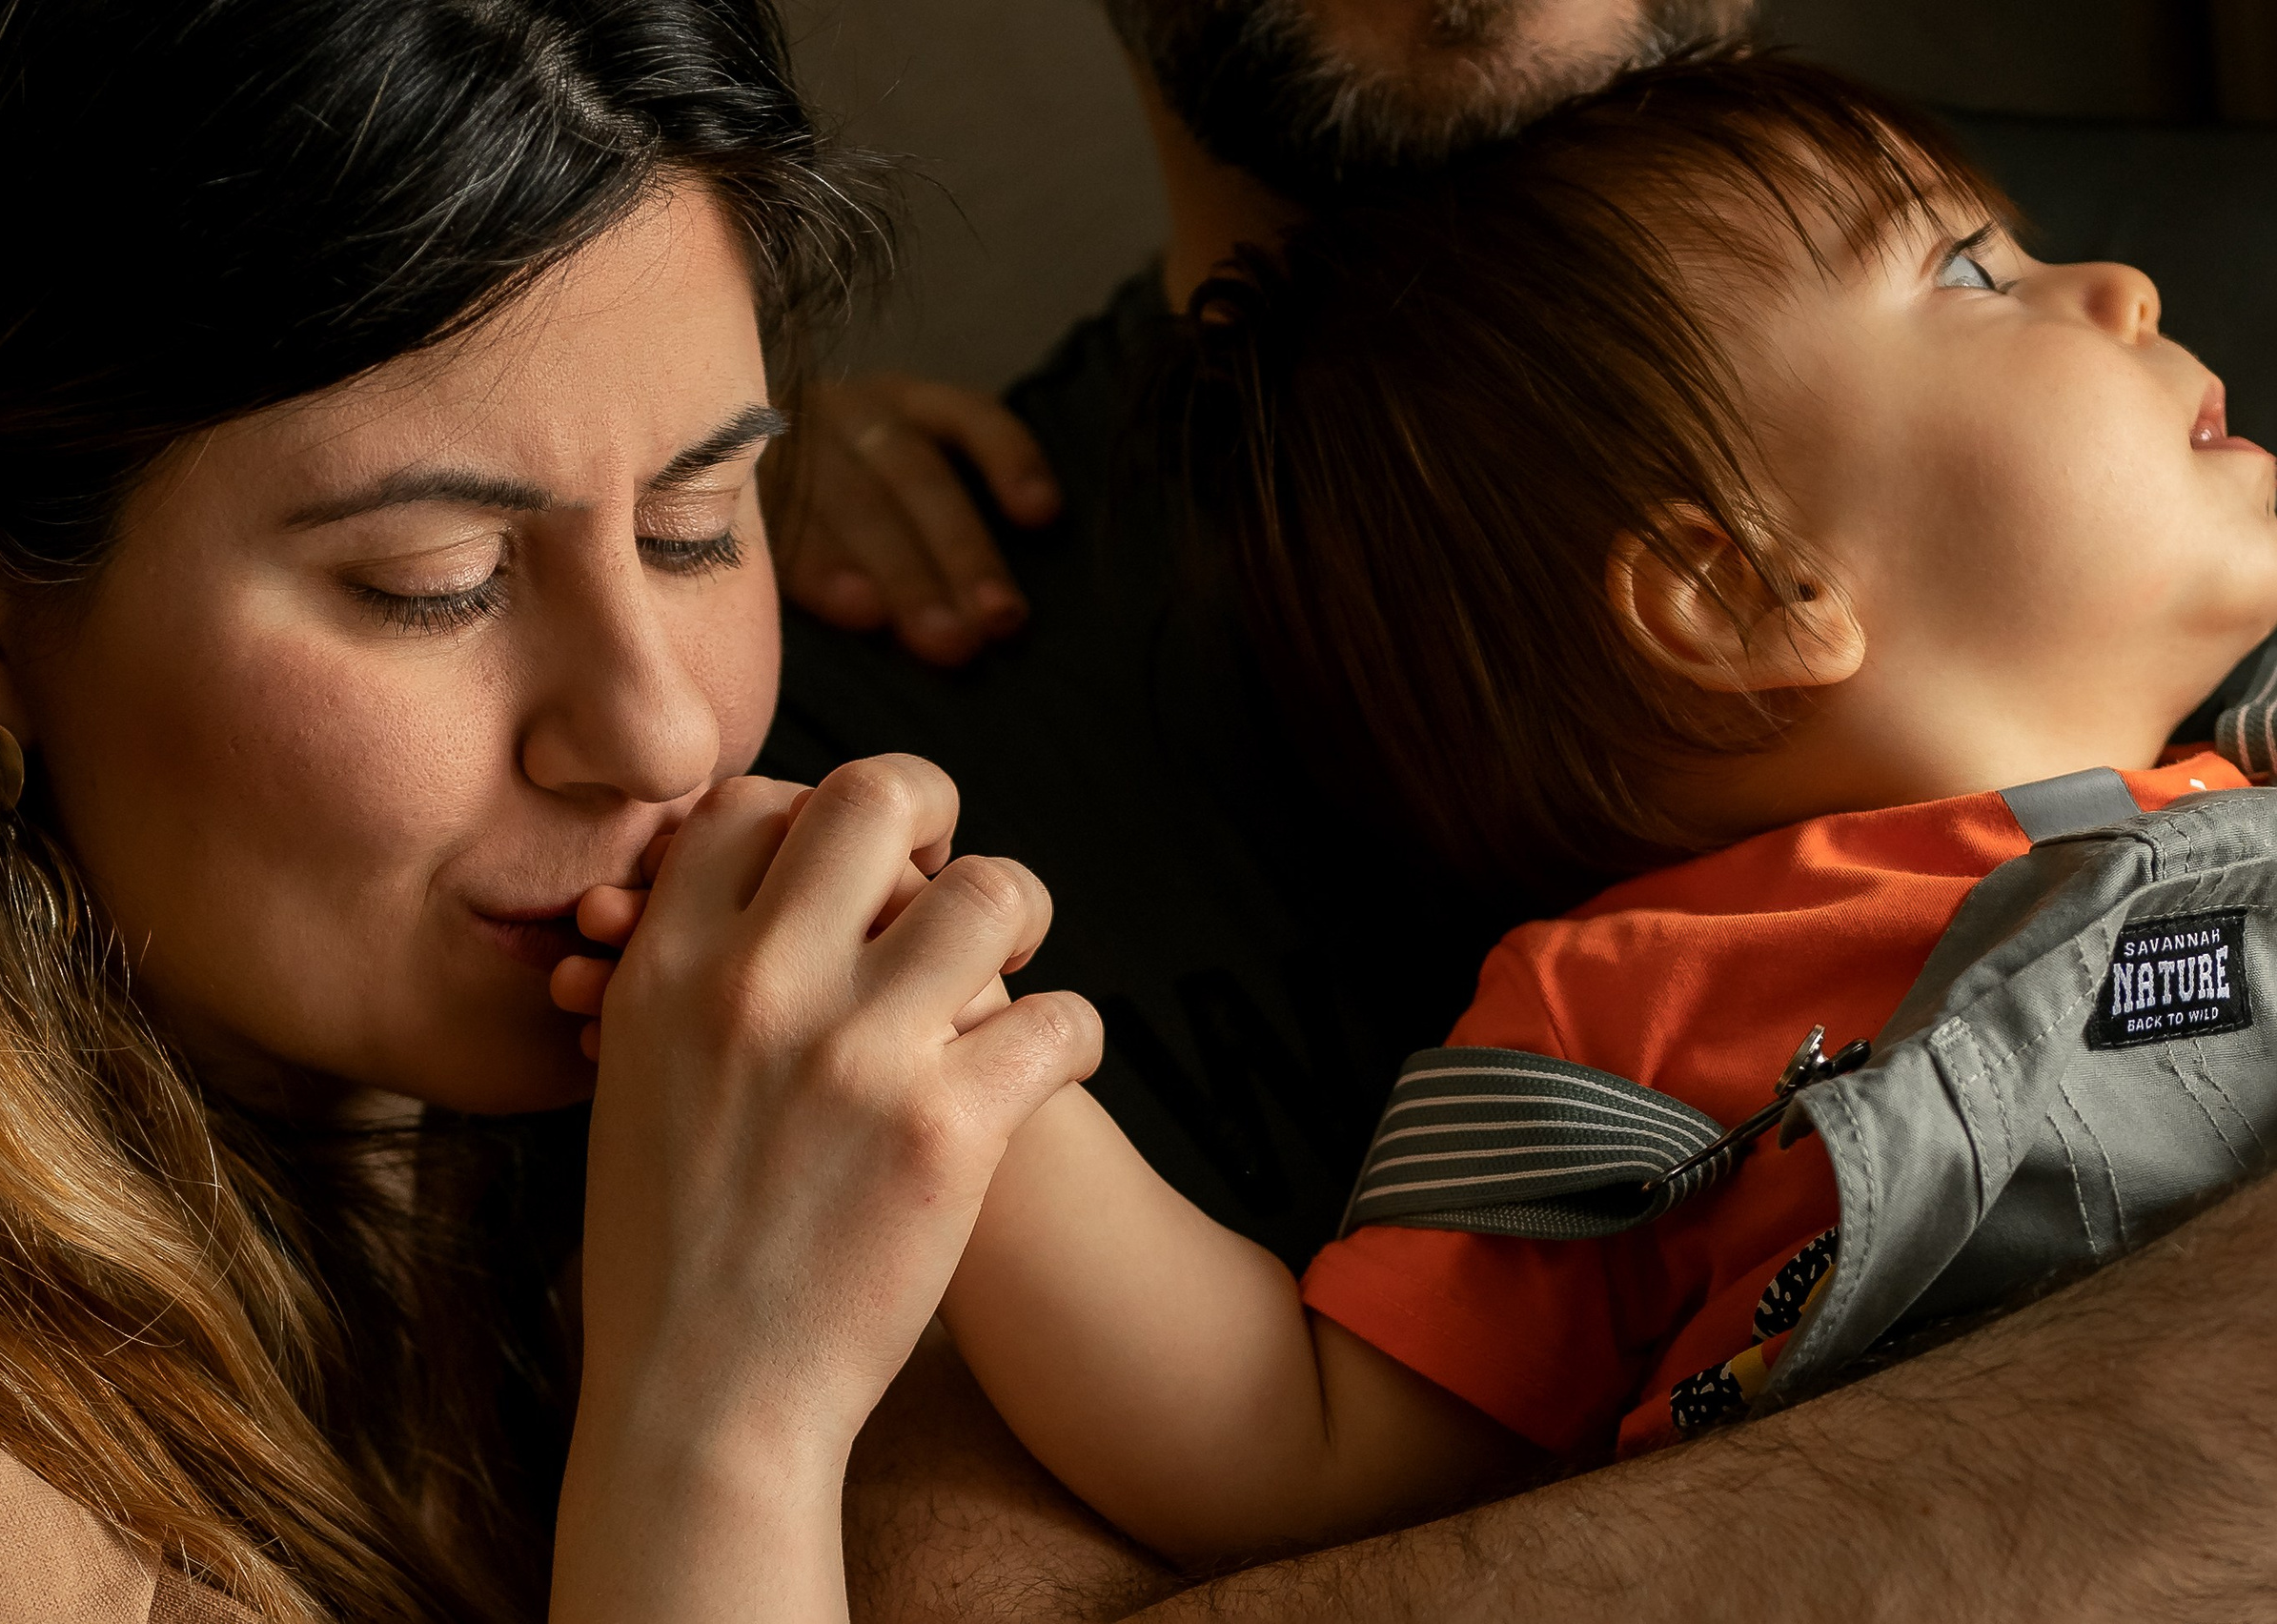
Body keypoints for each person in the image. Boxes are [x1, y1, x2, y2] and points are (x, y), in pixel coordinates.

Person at [765, 5, 2277, 1620]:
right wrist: (966, 1050)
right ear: (1737, 590)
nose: (2122, 290)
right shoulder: (1633, 1003)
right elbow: (1291, 1440)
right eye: (1973, 276)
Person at [0, 1, 1100, 1619]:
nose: (657, 733)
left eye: (700, 523)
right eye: (436, 584)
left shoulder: (634, 1117)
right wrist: (724, 1416)